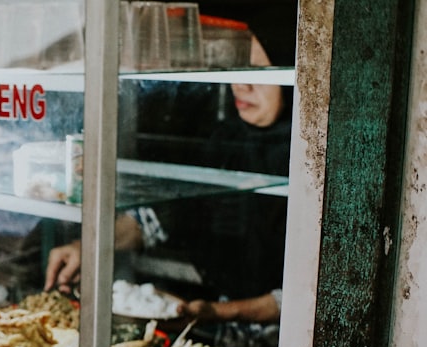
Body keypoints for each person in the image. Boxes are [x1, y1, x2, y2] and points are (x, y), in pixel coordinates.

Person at [45, 10, 295, 328]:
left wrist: (225, 312)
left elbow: (312, 288)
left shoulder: (314, 159)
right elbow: (170, 215)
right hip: (219, 330)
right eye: (239, 66)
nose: (240, 84)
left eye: (260, 71)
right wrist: (89, 245)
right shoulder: (226, 139)